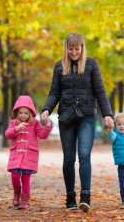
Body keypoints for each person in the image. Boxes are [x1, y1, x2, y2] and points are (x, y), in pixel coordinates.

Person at [41, 32, 114, 212]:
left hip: (87, 116)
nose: (74, 52)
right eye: (71, 49)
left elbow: (100, 91)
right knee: (68, 159)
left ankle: (86, 197)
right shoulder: (60, 66)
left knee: (84, 155)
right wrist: (46, 109)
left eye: (77, 49)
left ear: (82, 48)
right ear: (66, 49)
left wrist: (107, 114)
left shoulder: (91, 65)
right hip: (66, 117)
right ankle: (70, 197)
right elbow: (54, 92)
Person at [5, 95, 52, 209]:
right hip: (16, 155)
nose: (23, 115)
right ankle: (17, 194)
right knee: (15, 176)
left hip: (29, 156)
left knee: (26, 179)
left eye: (26, 113)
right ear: (16, 112)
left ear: (30, 113)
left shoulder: (35, 123)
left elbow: (42, 135)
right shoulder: (13, 123)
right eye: (20, 113)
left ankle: (25, 201)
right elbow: (8, 134)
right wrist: (16, 128)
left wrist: (47, 125)